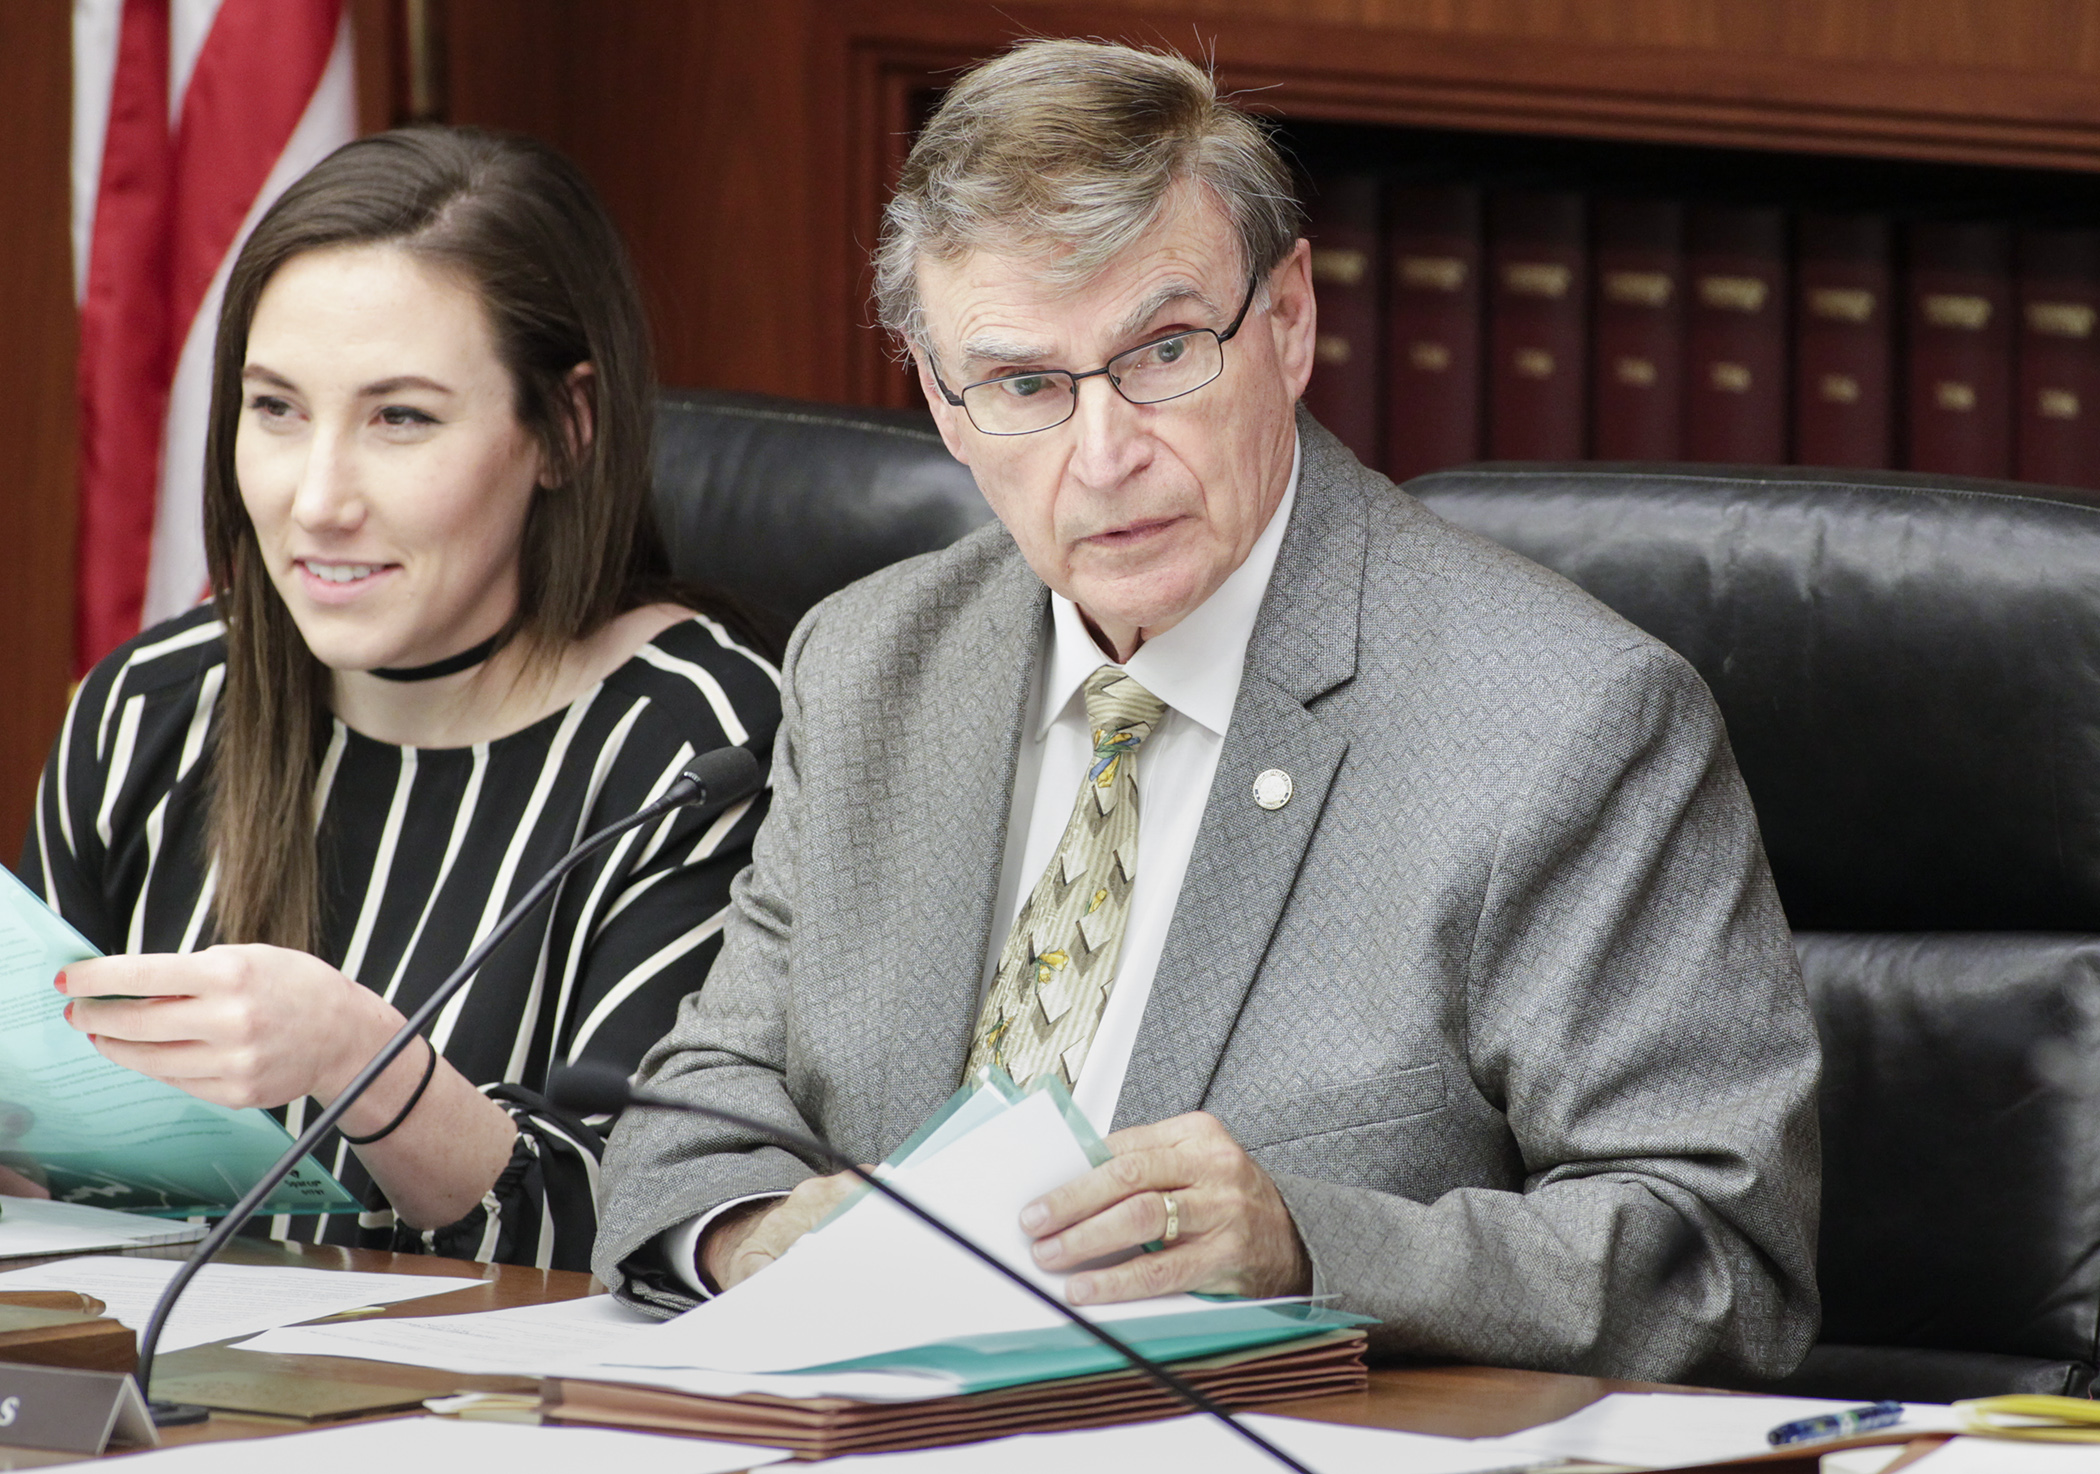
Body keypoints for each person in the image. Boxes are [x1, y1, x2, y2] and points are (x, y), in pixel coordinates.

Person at [595, 40, 1820, 1382]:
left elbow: (1721, 1263)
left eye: (1165, 352)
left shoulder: (1564, 718)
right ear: (943, 404)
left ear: (1288, 320)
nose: (1105, 453)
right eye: (1024, 386)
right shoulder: (873, 666)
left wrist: (1309, 1246)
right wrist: (768, 1239)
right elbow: (686, 1126)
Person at [17, 127, 780, 1271]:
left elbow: (646, 1228)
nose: (318, 499)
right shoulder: (152, 705)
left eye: (401, 418)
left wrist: (351, 1049)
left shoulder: (695, 748)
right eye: (275, 409)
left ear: (566, 428)